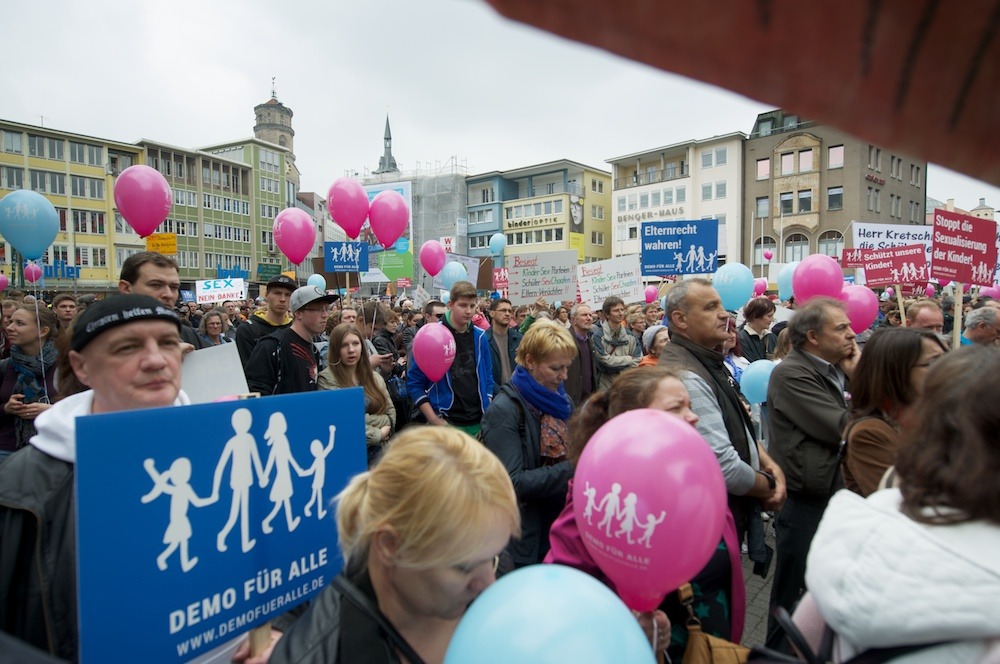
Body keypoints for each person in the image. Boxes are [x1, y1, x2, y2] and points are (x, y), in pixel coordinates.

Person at [0, 294, 189, 660]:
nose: (156, 360)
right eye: (127, 347)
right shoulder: (19, 489)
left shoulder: (218, 448)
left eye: (167, 342)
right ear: (82, 367)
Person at [791, 346, 1000, 662]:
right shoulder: (867, 437)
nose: (850, 335)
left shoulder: (864, 526)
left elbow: (804, 636)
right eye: (930, 361)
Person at [268, 426, 520, 664]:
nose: (490, 584)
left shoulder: (484, 562)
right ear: (390, 546)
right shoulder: (320, 654)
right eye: (464, 568)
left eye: (494, 556)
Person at [545, 366, 744, 661]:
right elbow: (562, 590)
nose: (693, 416)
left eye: (690, 405)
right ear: (633, 421)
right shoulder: (596, 495)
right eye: (677, 408)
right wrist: (624, 620)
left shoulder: (699, 479)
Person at [659, 279, 785, 545]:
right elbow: (724, 467)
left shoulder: (708, 361)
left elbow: (737, 423)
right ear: (680, 319)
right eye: (710, 307)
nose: (724, 314)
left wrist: (768, 463)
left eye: (722, 306)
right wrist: (770, 486)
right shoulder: (687, 376)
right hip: (709, 526)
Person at [765, 297, 859, 649]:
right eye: (842, 328)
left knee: (820, 592)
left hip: (832, 493)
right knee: (792, 598)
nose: (852, 334)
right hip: (807, 500)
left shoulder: (832, 370)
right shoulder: (792, 373)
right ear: (813, 337)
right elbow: (844, 426)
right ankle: (775, 656)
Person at [480, 320, 576, 568]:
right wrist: (574, 467)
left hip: (558, 528)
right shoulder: (504, 411)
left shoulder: (562, 401)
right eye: (556, 368)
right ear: (530, 361)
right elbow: (513, 482)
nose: (564, 376)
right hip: (524, 538)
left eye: (567, 367)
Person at [841, 327, 946, 497]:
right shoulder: (869, 432)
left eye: (946, 360)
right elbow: (904, 502)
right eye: (933, 363)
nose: (945, 370)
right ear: (897, 371)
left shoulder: (936, 416)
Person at [406, 281, 493, 436]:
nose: (468, 311)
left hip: (479, 421)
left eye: (472, 306)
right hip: (446, 422)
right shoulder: (432, 337)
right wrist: (433, 419)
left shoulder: (480, 337)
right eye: (463, 305)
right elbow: (414, 383)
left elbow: (488, 376)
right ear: (451, 304)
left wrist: (488, 402)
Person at [318, 323, 395, 466]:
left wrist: (376, 421)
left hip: (380, 455)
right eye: (344, 345)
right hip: (348, 456)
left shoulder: (374, 377)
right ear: (335, 349)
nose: (351, 350)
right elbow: (344, 423)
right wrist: (378, 434)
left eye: (355, 343)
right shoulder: (326, 380)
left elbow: (390, 413)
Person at [245, 286, 337, 396]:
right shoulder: (272, 346)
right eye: (318, 309)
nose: (325, 315)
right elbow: (257, 395)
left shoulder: (314, 349)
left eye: (326, 309)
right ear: (298, 313)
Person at [0, 304, 59, 462]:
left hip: (52, 452)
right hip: (7, 451)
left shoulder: (67, 366)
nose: (10, 327)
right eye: (10, 321)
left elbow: (86, 409)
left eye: (20, 323)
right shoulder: (5, 366)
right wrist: (6, 408)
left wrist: (52, 410)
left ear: (43, 331)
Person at [118, 251, 206, 350]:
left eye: (173, 287)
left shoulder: (186, 334)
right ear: (126, 288)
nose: (168, 294)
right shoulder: (105, 337)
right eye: (156, 285)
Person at [235, 275, 296, 365]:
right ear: (266, 295)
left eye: (288, 295)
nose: (282, 299)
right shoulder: (247, 330)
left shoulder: (296, 328)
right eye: (277, 293)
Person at [593, 296, 640, 390]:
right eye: (616, 310)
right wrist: (628, 359)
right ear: (607, 314)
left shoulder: (630, 335)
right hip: (606, 384)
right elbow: (605, 360)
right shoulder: (598, 336)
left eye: (622, 310)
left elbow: (638, 359)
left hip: (626, 383)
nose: (620, 313)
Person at [485, 297, 521, 396]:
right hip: (496, 397)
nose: (508, 314)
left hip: (519, 394)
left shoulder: (518, 338)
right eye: (503, 310)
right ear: (492, 313)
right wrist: (501, 393)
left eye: (510, 311)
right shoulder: (484, 340)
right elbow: (485, 374)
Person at [565, 303, 597, 405]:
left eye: (590, 315)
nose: (589, 318)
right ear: (573, 320)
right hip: (570, 400)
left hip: (588, 400)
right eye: (584, 315)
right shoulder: (564, 340)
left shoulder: (590, 340)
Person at [739, 297, 776, 362]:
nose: (772, 320)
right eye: (769, 316)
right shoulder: (742, 338)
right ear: (755, 316)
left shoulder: (772, 337)